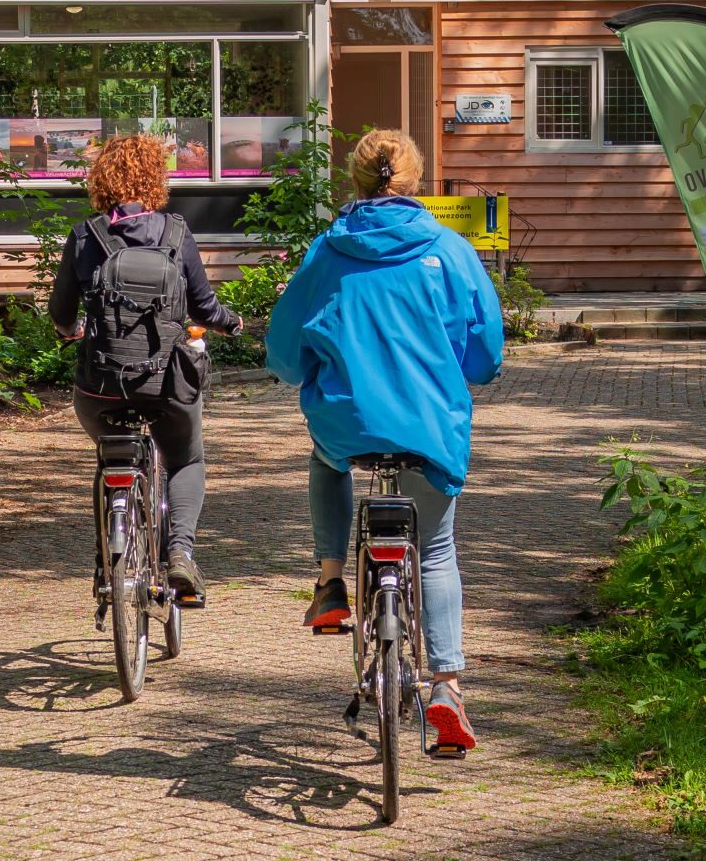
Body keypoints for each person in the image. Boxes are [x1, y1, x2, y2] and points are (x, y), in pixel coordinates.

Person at [265, 128, 503, 751]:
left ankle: (330, 582)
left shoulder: (326, 252)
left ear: (355, 178)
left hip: (349, 422)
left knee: (326, 459)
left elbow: (286, 351)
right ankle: (447, 686)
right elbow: (485, 356)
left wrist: (312, 369)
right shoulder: (450, 250)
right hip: (428, 426)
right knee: (438, 550)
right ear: (415, 179)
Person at [49, 133, 241, 601]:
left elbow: (60, 312)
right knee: (187, 458)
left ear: (101, 180)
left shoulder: (84, 235)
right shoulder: (175, 232)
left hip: (100, 382)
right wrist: (231, 323)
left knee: (109, 454)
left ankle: (105, 561)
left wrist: (71, 329)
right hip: (166, 382)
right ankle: (180, 553)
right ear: (156, 177)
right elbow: (203, 305)